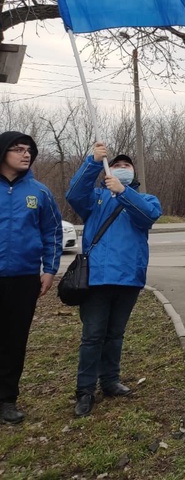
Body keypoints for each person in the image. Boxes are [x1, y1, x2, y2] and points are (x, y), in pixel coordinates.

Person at [65, 143, 161, 417]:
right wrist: (93, 162)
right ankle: (85, 391)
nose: (121, 169)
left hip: (129, 279)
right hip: (96, 279)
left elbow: (148, 217)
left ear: (133, 174)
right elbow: (73, 194)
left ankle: (109, 381)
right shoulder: (94, 199)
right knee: (93, 336)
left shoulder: (147, 199)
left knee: (115, 334)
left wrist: (124, 192)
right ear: (109, 171)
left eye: (126, 166)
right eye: (117, 165)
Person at [0, 132, 62, 425]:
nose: (26, 154)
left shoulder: (39, 192)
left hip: (24, 279)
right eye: (18, 149)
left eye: (30, 150)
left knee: (14, 340)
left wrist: (49, 270)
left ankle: (7, 399)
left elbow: (52, 233)